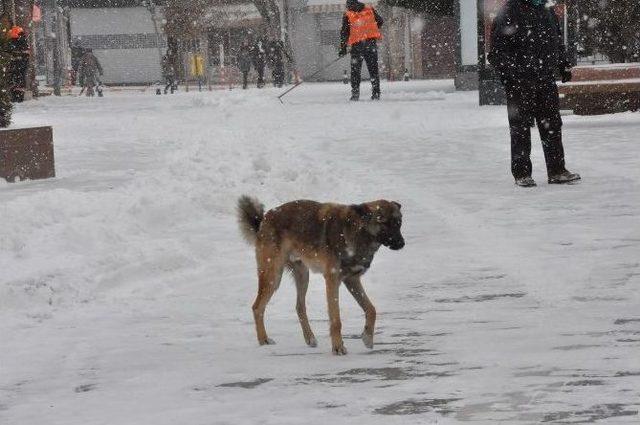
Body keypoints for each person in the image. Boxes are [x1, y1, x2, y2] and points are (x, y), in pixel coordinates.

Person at [489, 0, 580, 187]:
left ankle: (556, 170)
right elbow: (498, 52)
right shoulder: (509, 11)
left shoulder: (546, 10)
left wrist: (562, 64)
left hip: (545, 78)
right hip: (520, 81)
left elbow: (555, 41)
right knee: (520, 128)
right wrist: (512, 76)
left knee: (552, 125)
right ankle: (522, 173)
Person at [339, 0, 383, 101]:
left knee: (355, 71)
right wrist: (371, 30)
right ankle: (376, 93)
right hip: (370, 44)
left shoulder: (348, 14)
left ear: (349, 5)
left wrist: (343, 48)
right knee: (373, 70)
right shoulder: (370, 10)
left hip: (357, 46)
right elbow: (380, 21)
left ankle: (355, 94)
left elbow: (344, 33)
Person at [7, 25, 30, 102]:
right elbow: (26, 53)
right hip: (21, 64)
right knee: (20, 77)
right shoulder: (23, 40)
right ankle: (19, 95)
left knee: (15, 77)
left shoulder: (14, 40)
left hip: (16, 64)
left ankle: (15, 94)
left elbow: (11, 50)